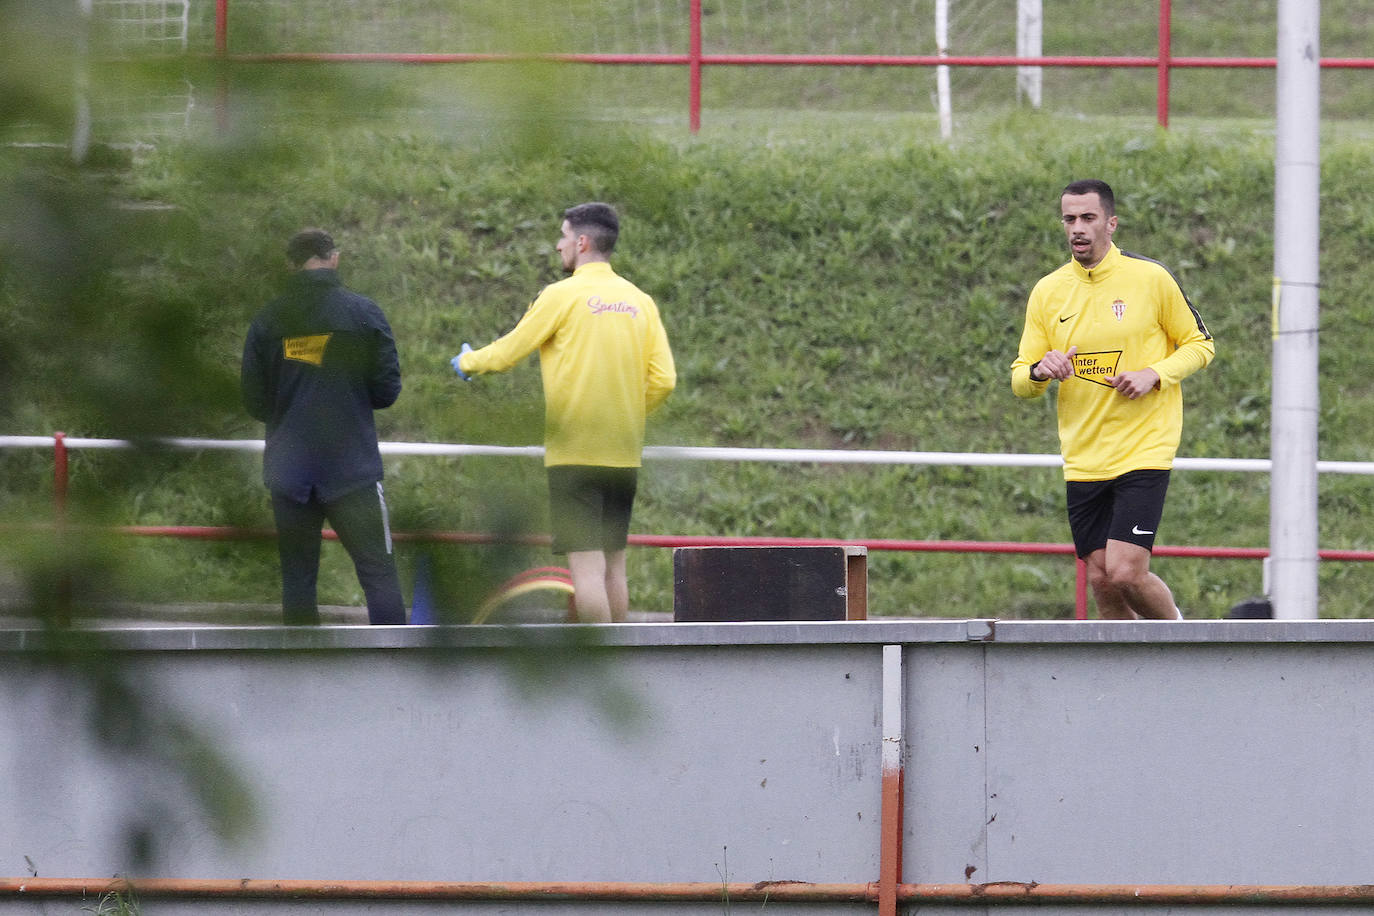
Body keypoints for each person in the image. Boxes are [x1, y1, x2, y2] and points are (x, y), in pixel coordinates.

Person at [452, 202, 676, 623]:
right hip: (623, 454)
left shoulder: (562, 295)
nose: (558, 246)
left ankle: (600, 666)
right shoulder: (640, 301)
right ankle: (624, 658)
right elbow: (664, 380)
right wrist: (627, 414)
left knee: (586, 572)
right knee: (614, 568)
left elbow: (506, 353)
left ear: (582, 242)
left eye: (562, 236)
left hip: (574, 454)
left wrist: (467, 362)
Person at [1011, 179, 1215, 620]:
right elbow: (1020, 378)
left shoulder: (1150, 278)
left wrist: (1154, 374)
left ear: (1111, 222)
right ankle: (1127, 679)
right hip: (1084, 455)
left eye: (1088, 218)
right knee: (1102, 579)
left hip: (1143, 448)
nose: (1078, 228)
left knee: (1125, 571)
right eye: (1070, 219)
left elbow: (1200, 346)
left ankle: (1186, 648)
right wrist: (1039, 371)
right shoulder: (1049, 291)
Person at [241, 228, 406, 625]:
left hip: (290, 471)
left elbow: (254, 401)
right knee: (378, 573)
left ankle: (300, 674)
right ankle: (395, 674)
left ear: (289, 266)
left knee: (298, 579)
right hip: (352, 470)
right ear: (334, 258)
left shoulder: (266, 321)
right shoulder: (364, 314)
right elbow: (386, 391)